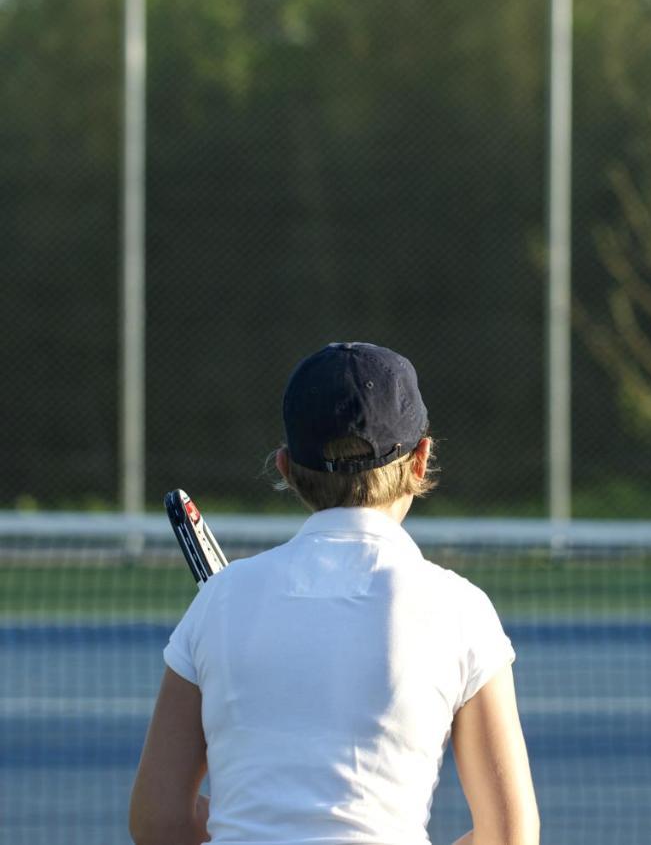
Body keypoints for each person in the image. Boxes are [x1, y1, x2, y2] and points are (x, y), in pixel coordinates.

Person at [130, 342, 539, 845]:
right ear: (421, 460)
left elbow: (159, 822)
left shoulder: (220, 601)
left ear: (285, 468)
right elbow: (510, 836)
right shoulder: (461, 609)